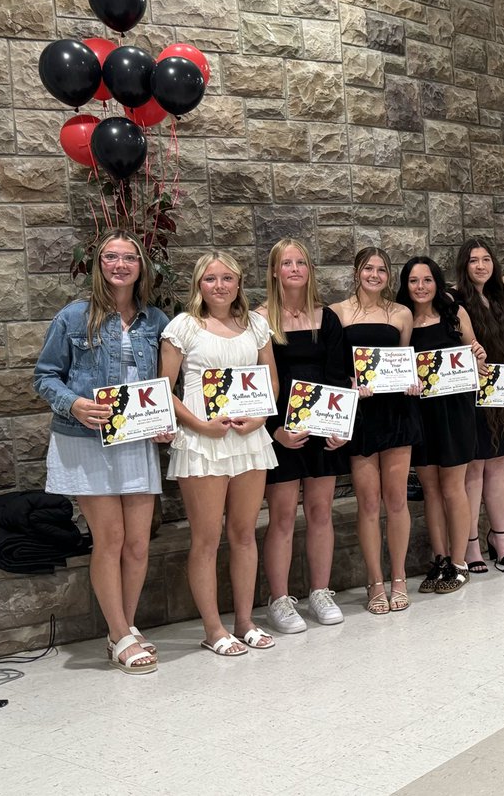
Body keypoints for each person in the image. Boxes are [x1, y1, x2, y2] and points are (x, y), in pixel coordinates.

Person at [34, 228, 170, 674]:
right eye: (111, 256)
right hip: (86, 440)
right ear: (99, 264)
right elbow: (45, 376)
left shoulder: (155, 321)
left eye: (129, 257)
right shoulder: (74, 317)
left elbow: (165, 384)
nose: (119, 265)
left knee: (138, 544)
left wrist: (165, 420)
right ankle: (120, 632)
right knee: (110, 539)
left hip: (136, 439)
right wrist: (73, 403)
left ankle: (123, 628)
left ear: (141, 266)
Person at [160, 251, 278, 657]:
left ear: (239, 283)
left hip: (248, 440)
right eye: (211, 279)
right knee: (206, 538)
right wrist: (200, 425)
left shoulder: (256, 325)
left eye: (227, 278)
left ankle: (245, 621)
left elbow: (271, 383)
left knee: (244, 533)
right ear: (199, 284)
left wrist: (260, 418)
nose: (220, 286)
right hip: (202, 442)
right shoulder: (183, 327)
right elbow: (164, 389)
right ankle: (213, 629)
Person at [257, 239, 350, 634]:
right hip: (281, 432)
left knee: (320, 511)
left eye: (301, 262)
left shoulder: (327, 318)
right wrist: (274, 430)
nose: (294, 269)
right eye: (286, 263)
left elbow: (338, 375)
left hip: (321, 430)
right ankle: (279, 600)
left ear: (310, 270)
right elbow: (258, 384)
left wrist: (339, 427)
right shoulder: (259, 319)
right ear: (274, 271)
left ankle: (320, 591)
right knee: (280, 516)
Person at [333, 247, 421, 614]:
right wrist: (349, 384)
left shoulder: (401, 314)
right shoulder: (337, 313)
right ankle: (375, 581)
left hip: (397, 412)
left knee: (397, 500)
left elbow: (405, 359)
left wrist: (412, 381)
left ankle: (399, 577)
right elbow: (335, 367)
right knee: (368, 503)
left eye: (381, 269)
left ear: (388, 275)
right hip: (362, 415)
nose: (374, 275)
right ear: (356, 272)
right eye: (368, 268)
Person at [401, 256, 485, 592]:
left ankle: (460, 562)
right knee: (431, 490)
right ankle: (440, 560)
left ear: (437, 282)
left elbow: (475, 353)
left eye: (427, 280)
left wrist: (479, 355)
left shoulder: (455, 313)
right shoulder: (403, 319)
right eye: (413, 281)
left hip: (455, 411)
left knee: (453, 487)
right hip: (421, 413)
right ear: (405, 285)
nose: (420, 287)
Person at [454, 239, 504, 571]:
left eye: (486, 259)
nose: (481, 266)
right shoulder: (455, 300)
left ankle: (499, 538)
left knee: (500, 465)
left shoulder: (497, 299)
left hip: (503, 394)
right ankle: (470, 544)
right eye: (473, 260)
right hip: (473, 394)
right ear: (463, 266)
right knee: (475, 468)